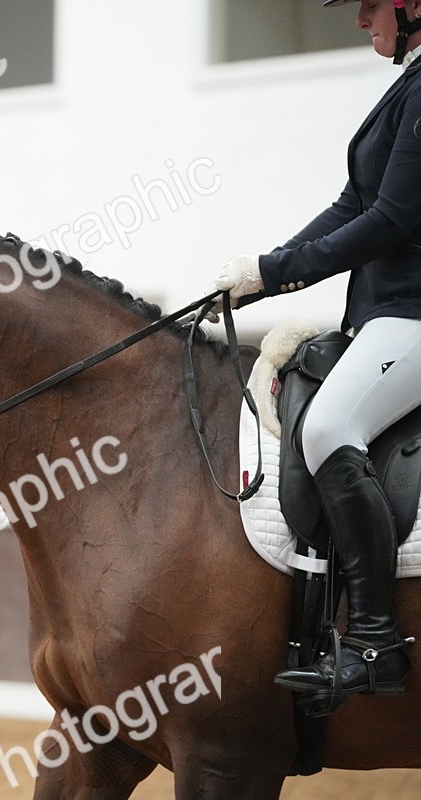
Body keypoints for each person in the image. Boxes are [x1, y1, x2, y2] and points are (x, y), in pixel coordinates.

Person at [214, 0, 421, 698]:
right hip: (385, 315)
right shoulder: (407, 87)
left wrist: (276, 272)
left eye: (369, 5)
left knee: (332, 427)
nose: (362, 21)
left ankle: (372, 642)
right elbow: (351, 205)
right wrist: (268, 271)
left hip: (416, 314)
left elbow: (389, 221)